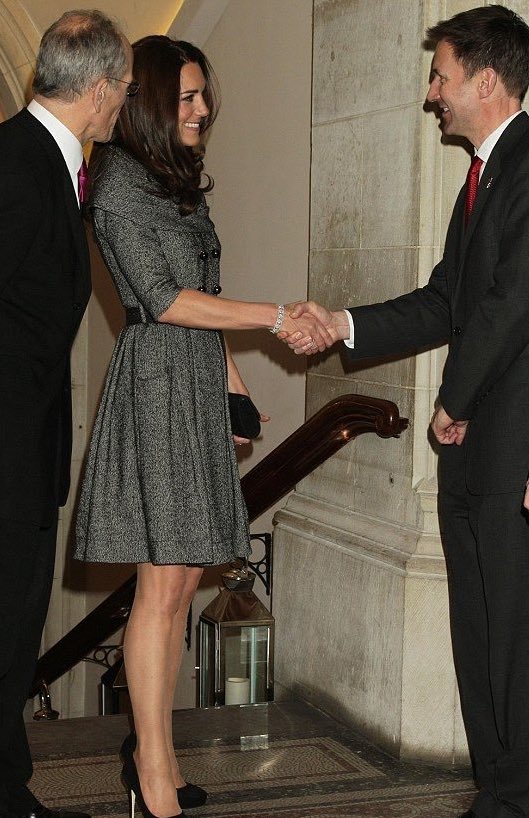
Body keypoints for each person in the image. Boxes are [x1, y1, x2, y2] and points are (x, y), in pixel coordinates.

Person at [73, 35, 331, 818]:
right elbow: (163, 298)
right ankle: (152, 772)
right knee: (160, 589)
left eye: (202, 95)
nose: (203, 108)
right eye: (185, 97)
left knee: (182, 586)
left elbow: (202, 292)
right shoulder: (114, 182)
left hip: (192, 378)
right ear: (149, 102)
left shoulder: (178, 184)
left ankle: (153, 752)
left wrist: (233, 387)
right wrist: (277, 317)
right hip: (154, 385)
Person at [281, 5, 529, 818]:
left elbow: (507, 304)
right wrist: (340, 324)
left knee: (512, 638)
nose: (432, 94)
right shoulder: (481, 179)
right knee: (478, 629)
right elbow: (442, 301)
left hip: (511, 443)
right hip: (476, 448)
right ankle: (497, 790)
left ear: (485, 81)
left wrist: (450, 399)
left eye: (441, 75)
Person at [0, 10, 133, 818]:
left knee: (16, 632)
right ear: (95, 88)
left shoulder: (49, 164)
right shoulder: (16, 165)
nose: (122, 103)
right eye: (120, 89)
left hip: (25, 448)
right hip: (3, 452)